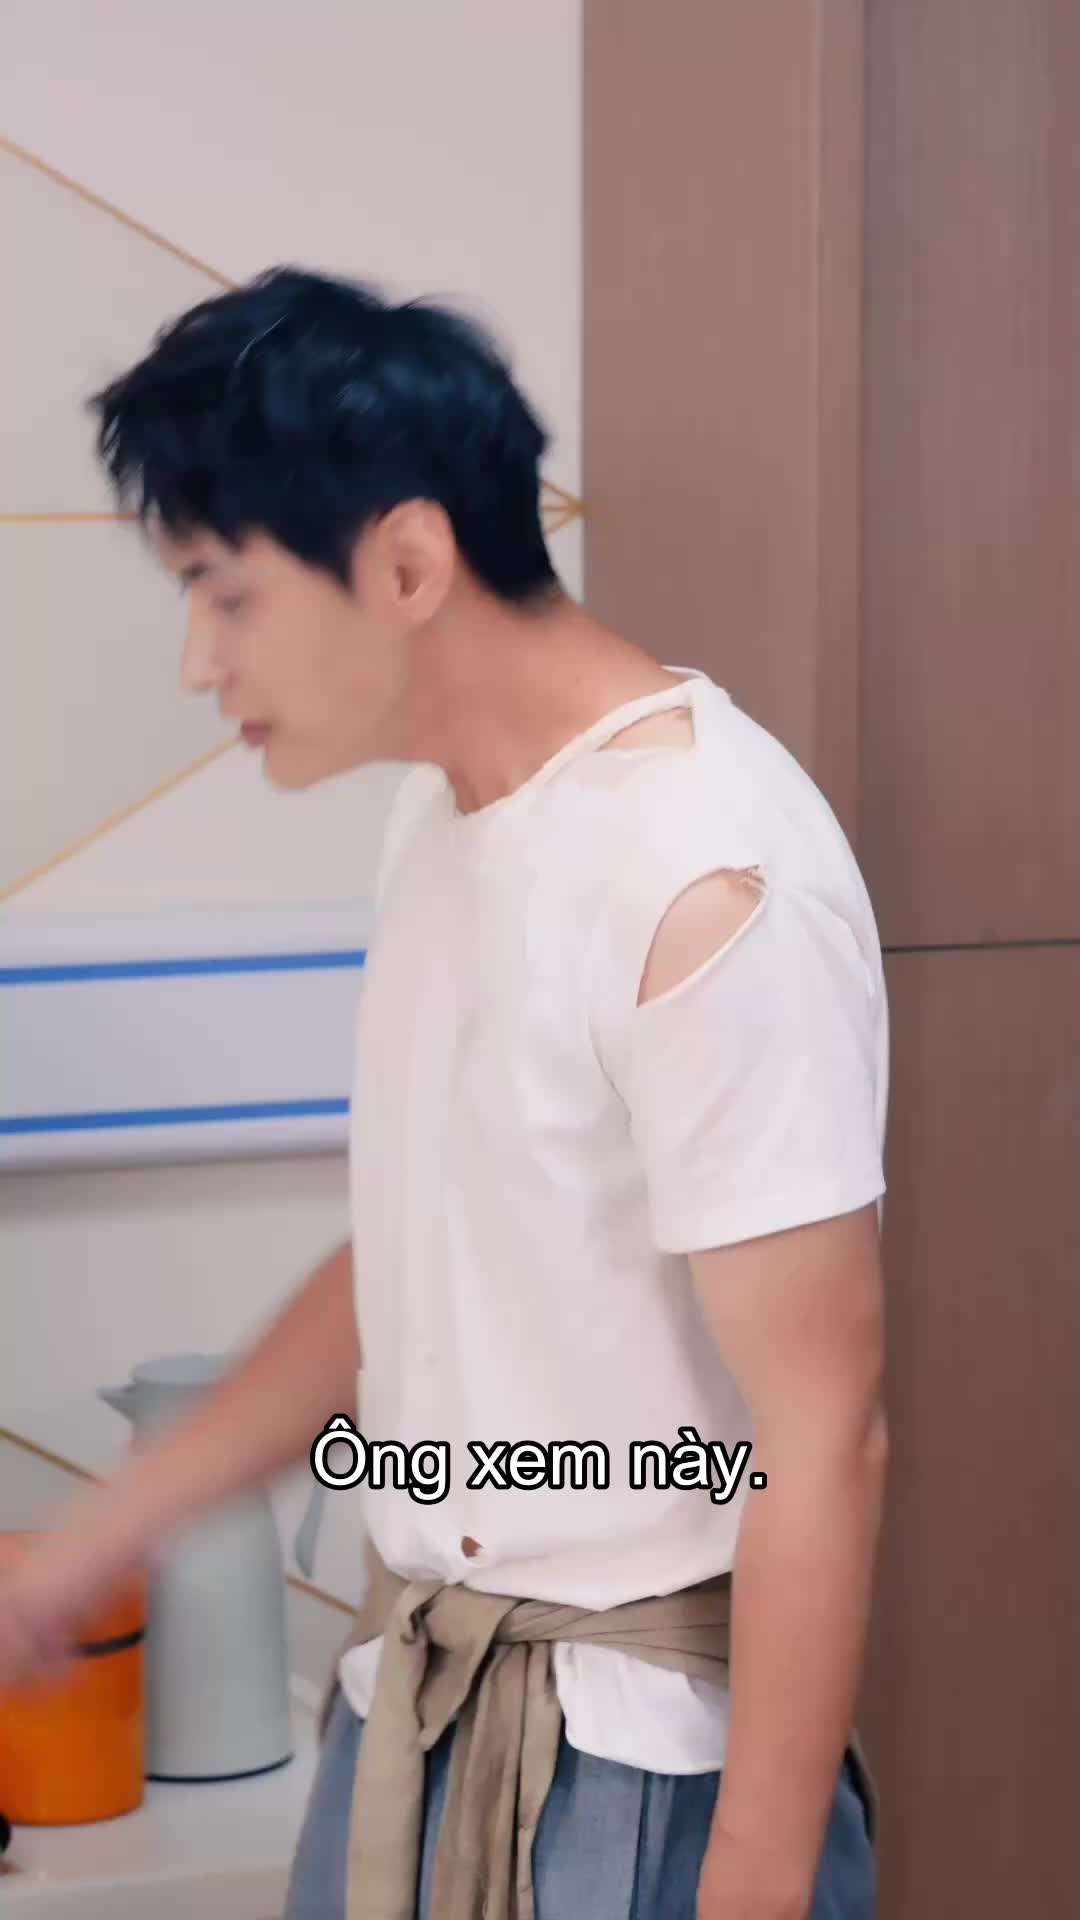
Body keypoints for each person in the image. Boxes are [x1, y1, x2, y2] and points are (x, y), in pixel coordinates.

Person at [0, 268, 889, 1920]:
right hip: (416, 1706)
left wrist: (755, 1885)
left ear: (407, 563)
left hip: (645, 1770)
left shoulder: (703, 875)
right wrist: (87, 1545)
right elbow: (409, 1269)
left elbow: (822, 1435)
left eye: (227, 596)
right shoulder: (449, 818)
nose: (197, 660)